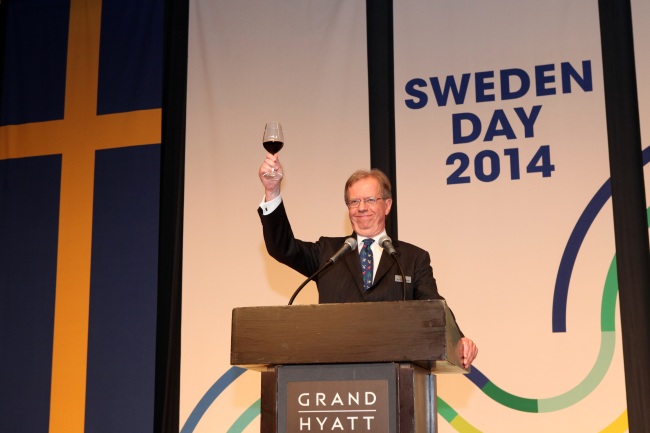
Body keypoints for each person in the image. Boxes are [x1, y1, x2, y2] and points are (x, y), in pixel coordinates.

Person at [258, 153, 478, 369]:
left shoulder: (413, 258)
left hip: (394, 375)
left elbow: (434, 306)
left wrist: (459, 340)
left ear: (387, 205)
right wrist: (272, 191)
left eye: (371, 200)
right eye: (354, 201)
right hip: (333, 373)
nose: (361, 208)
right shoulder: (328, 252)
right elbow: (282, 248)